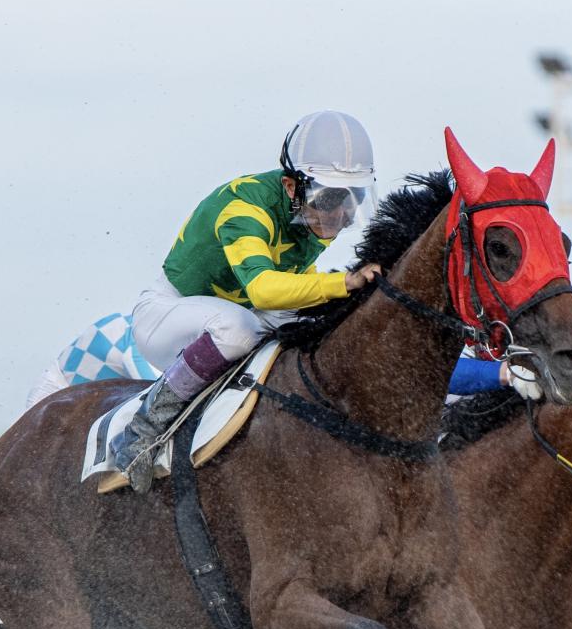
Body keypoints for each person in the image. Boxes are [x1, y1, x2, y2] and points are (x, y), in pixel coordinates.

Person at [107, 110, 383, 492]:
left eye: (354, 199)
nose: (341, 216)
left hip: (235, 314)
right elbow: (263, 291)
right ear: (291, 186)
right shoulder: (245, 206)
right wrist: (344, 282)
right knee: (239, 329)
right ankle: (142, 432)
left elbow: (298, 286)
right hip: (166, 315)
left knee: (314, 325)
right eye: (331, 198)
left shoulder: (310, 215)